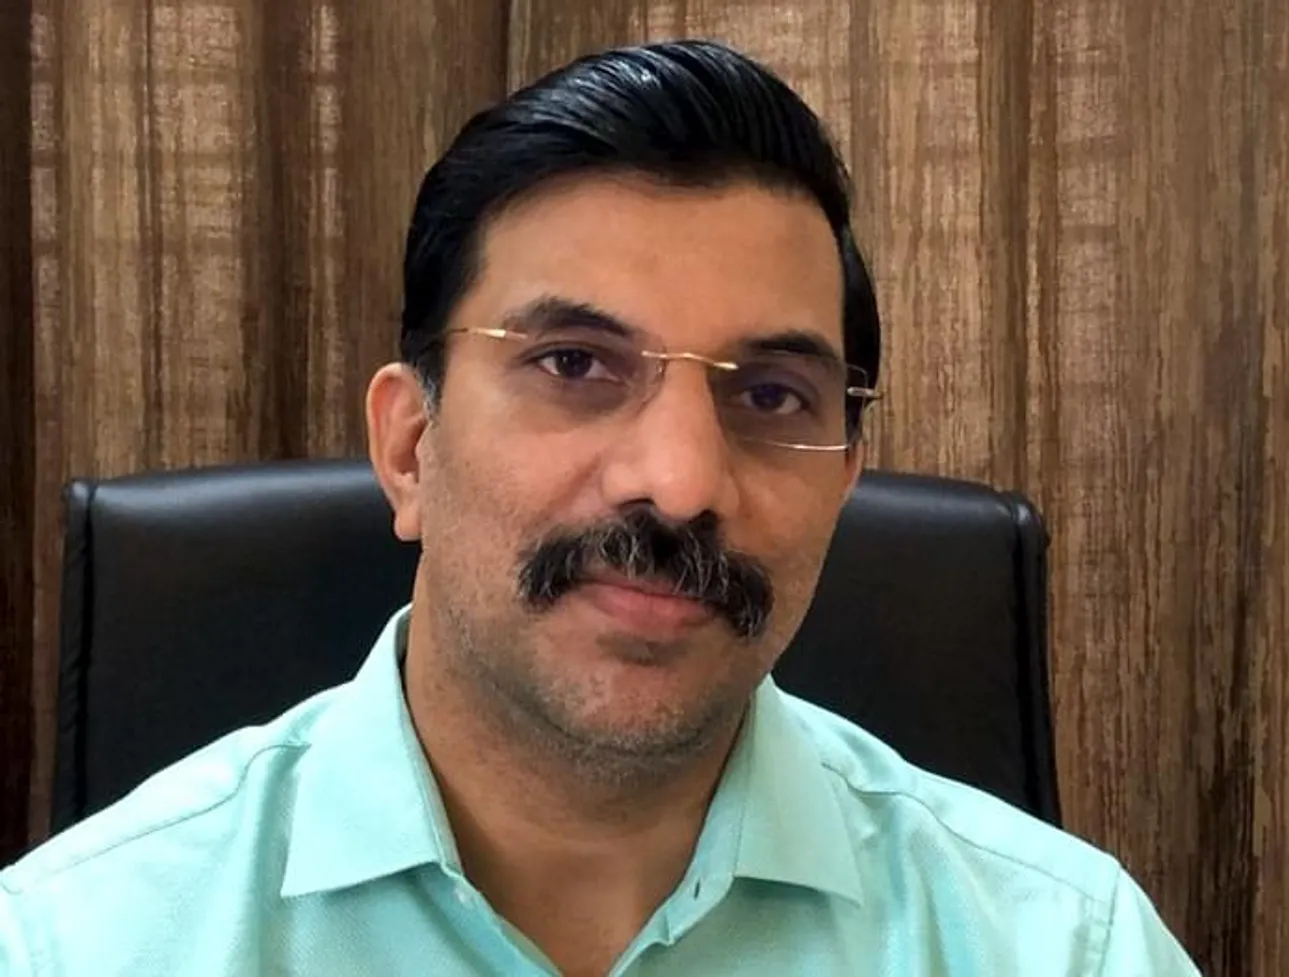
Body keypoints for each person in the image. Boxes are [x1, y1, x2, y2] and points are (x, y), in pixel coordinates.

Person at [0, 40, 1198, 977]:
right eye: (574, 363)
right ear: (410, 447)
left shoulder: (1060, 942)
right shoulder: (78, 939)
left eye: (770, 394)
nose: (678, 481)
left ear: (842, 478)